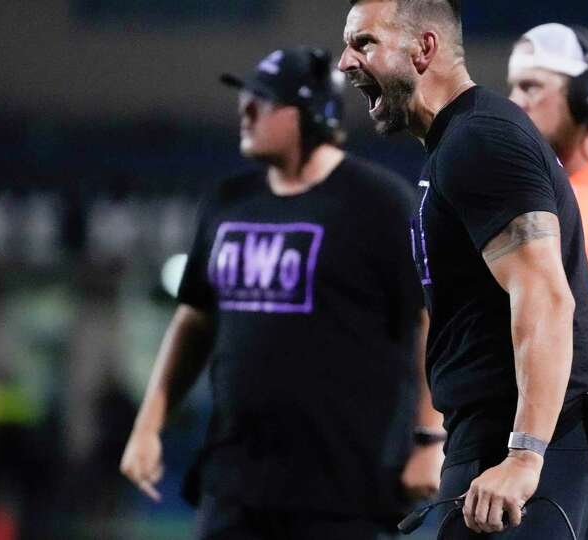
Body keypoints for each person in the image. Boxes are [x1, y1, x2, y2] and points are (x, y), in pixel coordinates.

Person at [118, 46, 444, 539]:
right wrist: (148, 426)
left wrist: (429, 439)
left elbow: (429, 321)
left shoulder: (379, 203)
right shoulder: (229, 201)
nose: (244, 112)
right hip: (234, 481)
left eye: (264, 101)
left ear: (313, 114)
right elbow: (194, 321)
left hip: (346, 488)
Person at [339, 1, 588, 538]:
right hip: (502, 440)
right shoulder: (458, 142)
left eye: (364, 42)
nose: (345, 61)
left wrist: (525, 456)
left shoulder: (481, 140)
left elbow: (545, 297)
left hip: (531, 446)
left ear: (424, 49)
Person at [507, 22, 588, 381]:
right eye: (514, 87)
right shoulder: (531, 193)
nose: (516, 102)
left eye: (531, 86)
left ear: (585, 94)